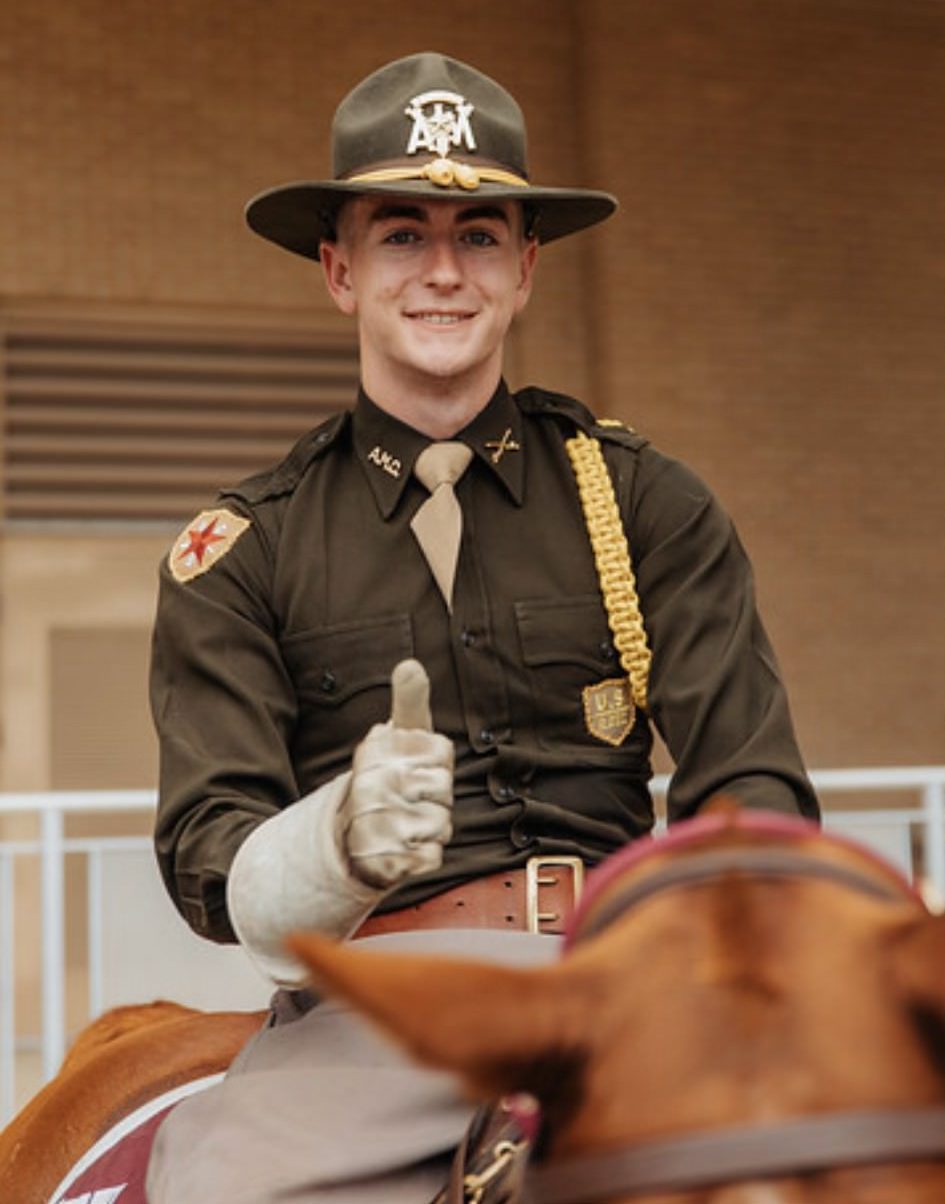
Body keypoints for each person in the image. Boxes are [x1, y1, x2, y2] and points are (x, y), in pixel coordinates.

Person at [146, 51, 819, 1203]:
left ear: (525, 269)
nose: (444, 271)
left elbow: (753, 790)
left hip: (623, 983)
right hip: (374, 1011)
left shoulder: (646, 500)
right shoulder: (244, 547)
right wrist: (339, 840)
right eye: (402, 235)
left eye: (481, 236)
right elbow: (210, 853)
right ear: (339, 270)